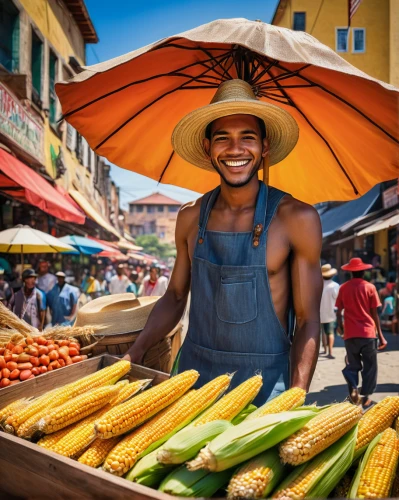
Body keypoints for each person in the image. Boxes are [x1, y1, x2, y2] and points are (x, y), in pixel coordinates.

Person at [124, 79, 322, 405]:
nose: (235, 149)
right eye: (222, 139)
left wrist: (296, 397)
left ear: (265, 146)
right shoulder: (190, 217)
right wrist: (136, 350)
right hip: (192, 380)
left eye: (248, 137)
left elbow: (308, 320)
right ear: (207, 148)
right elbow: (174, 296)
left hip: (265, 385)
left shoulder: (297, 219)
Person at [336, 257, 388, 410]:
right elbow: (374, 313)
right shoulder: (370, 287)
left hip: (350, 333)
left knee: (352, 364)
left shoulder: (343, 288)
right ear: (363, 272)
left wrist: (341, 327)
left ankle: (353, 386)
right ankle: (365, 397)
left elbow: (339, 312)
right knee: (370, 366)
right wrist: (381, 334)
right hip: (368, 334)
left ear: (351, 273)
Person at [319, 264, 340, 359]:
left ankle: (324, 350)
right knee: (330, 332)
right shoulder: (335, 286)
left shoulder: (317, 285)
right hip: (331, 312)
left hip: (319, 312)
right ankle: (330, 352)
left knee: (323, 331)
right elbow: (337, 299)